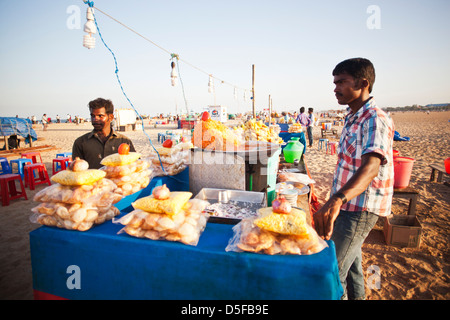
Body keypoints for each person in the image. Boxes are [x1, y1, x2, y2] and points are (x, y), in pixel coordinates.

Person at [313, 58, 394, 300]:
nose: (335, 88)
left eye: (341, 82)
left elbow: (370, 167)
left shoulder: (374, 119)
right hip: (347, 202)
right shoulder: (352, 116)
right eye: (334, 82)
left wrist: (337, 199)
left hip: (360, 207)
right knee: (353, 270)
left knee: (332, 272)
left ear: (363, 83)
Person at [72, 98, 136, 169]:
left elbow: (135, 166)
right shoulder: (81, 143)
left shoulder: (124, 141)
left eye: (100, 116)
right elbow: (76, 170)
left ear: (111, 117)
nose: (95, 119)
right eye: (93, 116)